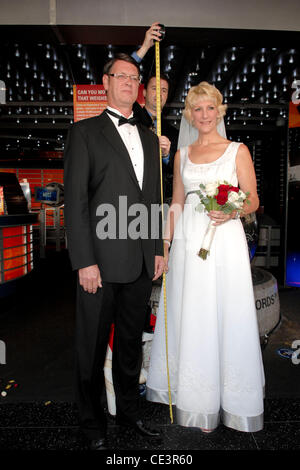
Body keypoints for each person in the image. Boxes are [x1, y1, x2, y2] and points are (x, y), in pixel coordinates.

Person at [146, 81, 265, 433]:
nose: (204, 115)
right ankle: (198, 399)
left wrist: (231, 211)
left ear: (219, 111)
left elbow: (254, 199)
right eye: (197, 109)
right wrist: (165, 244)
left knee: (224, 311)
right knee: (192, 313)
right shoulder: (182, 155)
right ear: (189, 115)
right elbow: (178, 202)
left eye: (210, 108)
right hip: (189, 243)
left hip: (225, 241)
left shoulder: (237, 151)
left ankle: (228, 396)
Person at [64, 53, 164, 450]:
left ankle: (127, 414)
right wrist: (84, 261)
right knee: (90, 348)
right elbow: (76, 203)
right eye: (120, 76)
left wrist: (157, 249)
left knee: (129, 347)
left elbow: (153, 199)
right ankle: (91, 426)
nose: (127, 82)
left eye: (134, 77)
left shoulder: (149, 137)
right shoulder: (84, 132)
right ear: (105, 83)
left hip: (141, 261)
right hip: (99, 265)